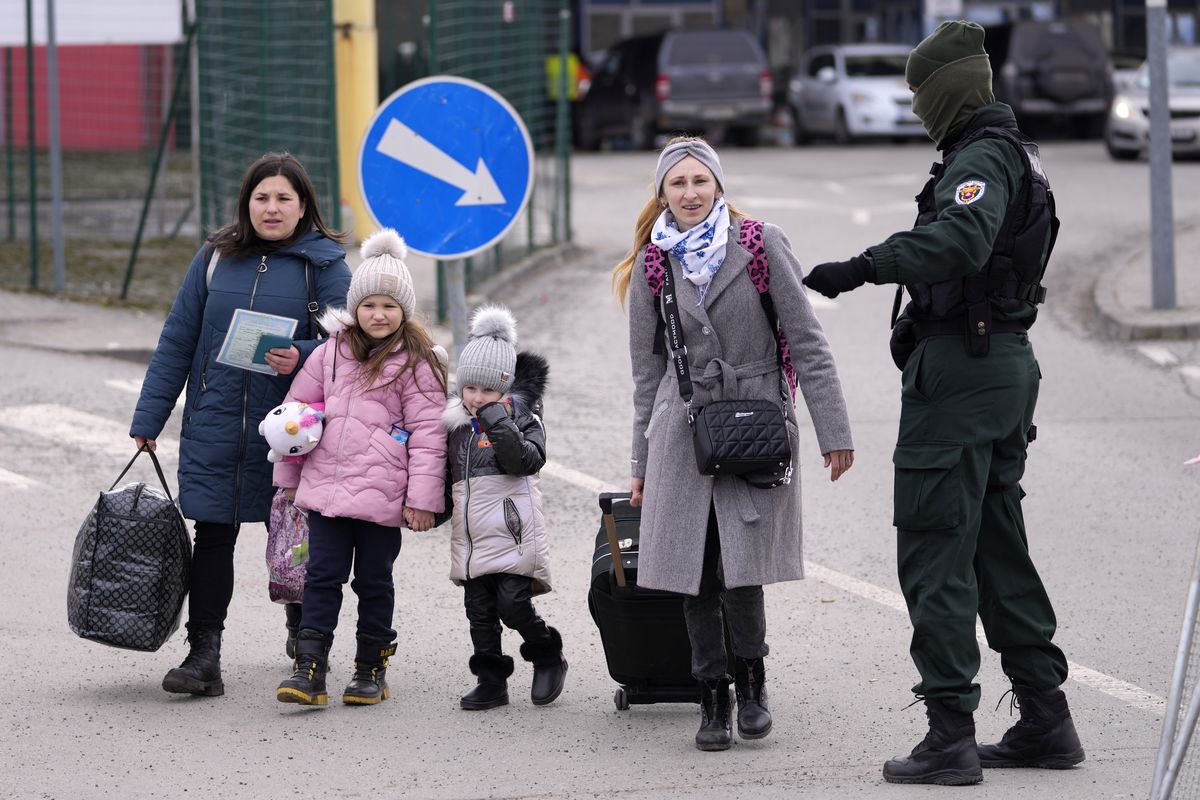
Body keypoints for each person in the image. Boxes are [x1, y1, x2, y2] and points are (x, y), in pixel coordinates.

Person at [800, 20, 1084, 786]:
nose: (918, 104)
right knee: (995, 547)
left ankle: (949, 734)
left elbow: (961, 241)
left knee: (934, 549)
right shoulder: (1005, 152)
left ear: (952, 86)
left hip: (964, 373)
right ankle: (1047, 721)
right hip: (998, 366)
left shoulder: (983, 158)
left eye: (922, 91)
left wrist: (863, 266)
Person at [613, 136, 855, 751]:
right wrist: (639, 462)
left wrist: (833, 433)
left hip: (755, 422)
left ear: (718, 186)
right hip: (682, 428)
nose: (690, 193)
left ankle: (752, 684)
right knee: (694, 568)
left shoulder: (758, 243)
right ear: (662, 193)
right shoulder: (652, 262)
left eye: (700, 181)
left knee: (741, 566)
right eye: (678, 184)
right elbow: (647, 375)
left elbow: (807, 340)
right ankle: (711, 696)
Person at [130, 152, 351, 697]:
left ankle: (306, 641)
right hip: (216, 419)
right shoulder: (214, 258)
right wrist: (149, 416)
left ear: (303, 207)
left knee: (296, 535)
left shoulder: (325, 266)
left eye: (283, 198)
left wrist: (300, 353)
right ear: (245, 203)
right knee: (212, 535)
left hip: (293, 429)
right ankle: (204, 653)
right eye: (261, 198)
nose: (271, 208)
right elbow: (178, 337)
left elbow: (349, 348)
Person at [273, 228, 448, 707]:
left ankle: (371, 666)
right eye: (369, 305)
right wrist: (289, 481)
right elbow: (296, 418)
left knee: (373, 580)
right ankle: (309, 667)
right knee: (321, 577)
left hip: (383, 498)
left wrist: (422, 501)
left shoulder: (418, 364)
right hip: (326, 493)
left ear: (404, 311)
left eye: (389, 306)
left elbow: (431, 438)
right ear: (354, 308)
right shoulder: (329, 354)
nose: (378, 314)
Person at [441, 305, 567, 710]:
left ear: (506, 390)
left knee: (513, 604)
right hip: (473, 537)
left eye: (489, 392)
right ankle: (491, 680)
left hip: (514, 531)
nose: (477, 399)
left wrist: (498, 419)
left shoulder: (525, 417)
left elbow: (526, 461)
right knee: (478, 611)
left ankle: (547, 652)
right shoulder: (455, 425)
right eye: (470, 389)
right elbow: (447, 479)